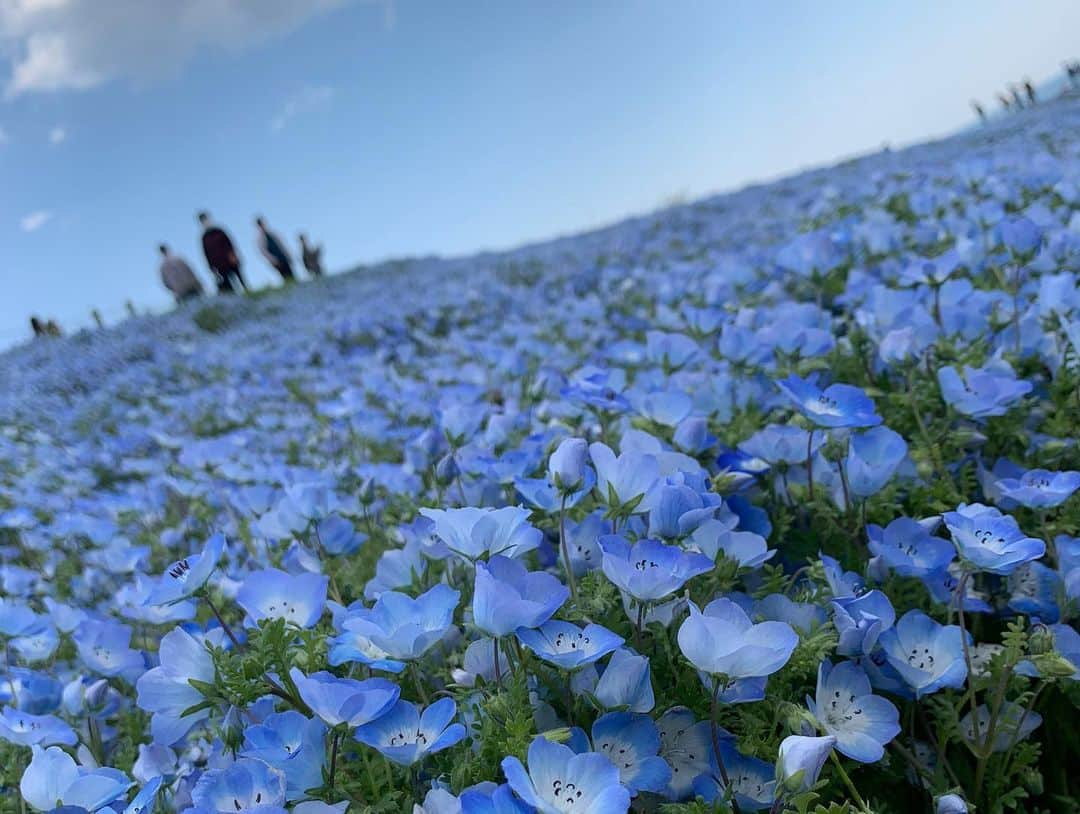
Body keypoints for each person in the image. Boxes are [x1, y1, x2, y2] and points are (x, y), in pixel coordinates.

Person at [198, 211, 247, 294]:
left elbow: (230, 244)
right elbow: (207, 254)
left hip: (230, 260)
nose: (206, 222)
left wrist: (234, 256)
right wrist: (211, 268)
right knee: (228, 286)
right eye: (203, 221)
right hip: (220, 266)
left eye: (206, 220)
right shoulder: (204, 238)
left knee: (241, 279)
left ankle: (248, 294)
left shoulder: (219, 231)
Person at [256, 217, 295, 281]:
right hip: (276, 260)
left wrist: (288, 255)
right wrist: (273, 260)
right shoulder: (260, 238)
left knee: (291, 274)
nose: (262, 225)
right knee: (285, 276)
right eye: (261, 224)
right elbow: (264, 251)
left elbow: (281, 245)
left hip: (283, 257)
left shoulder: (273, 233)